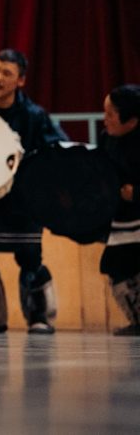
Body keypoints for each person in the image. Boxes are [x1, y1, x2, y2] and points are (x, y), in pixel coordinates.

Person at [0, 49, 67, 334]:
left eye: (6, 73)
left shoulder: (35, 116)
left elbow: (57, 149)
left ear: (20, 81)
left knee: (31, 260)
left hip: (24, 203)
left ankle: (40, 317)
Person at [98, 84, 140, 335]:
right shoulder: (107, 140)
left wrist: (137, 193)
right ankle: (137, 321)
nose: (105, 119)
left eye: (111, 114)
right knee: (116, 269)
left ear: (132, 119)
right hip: (121, 220)